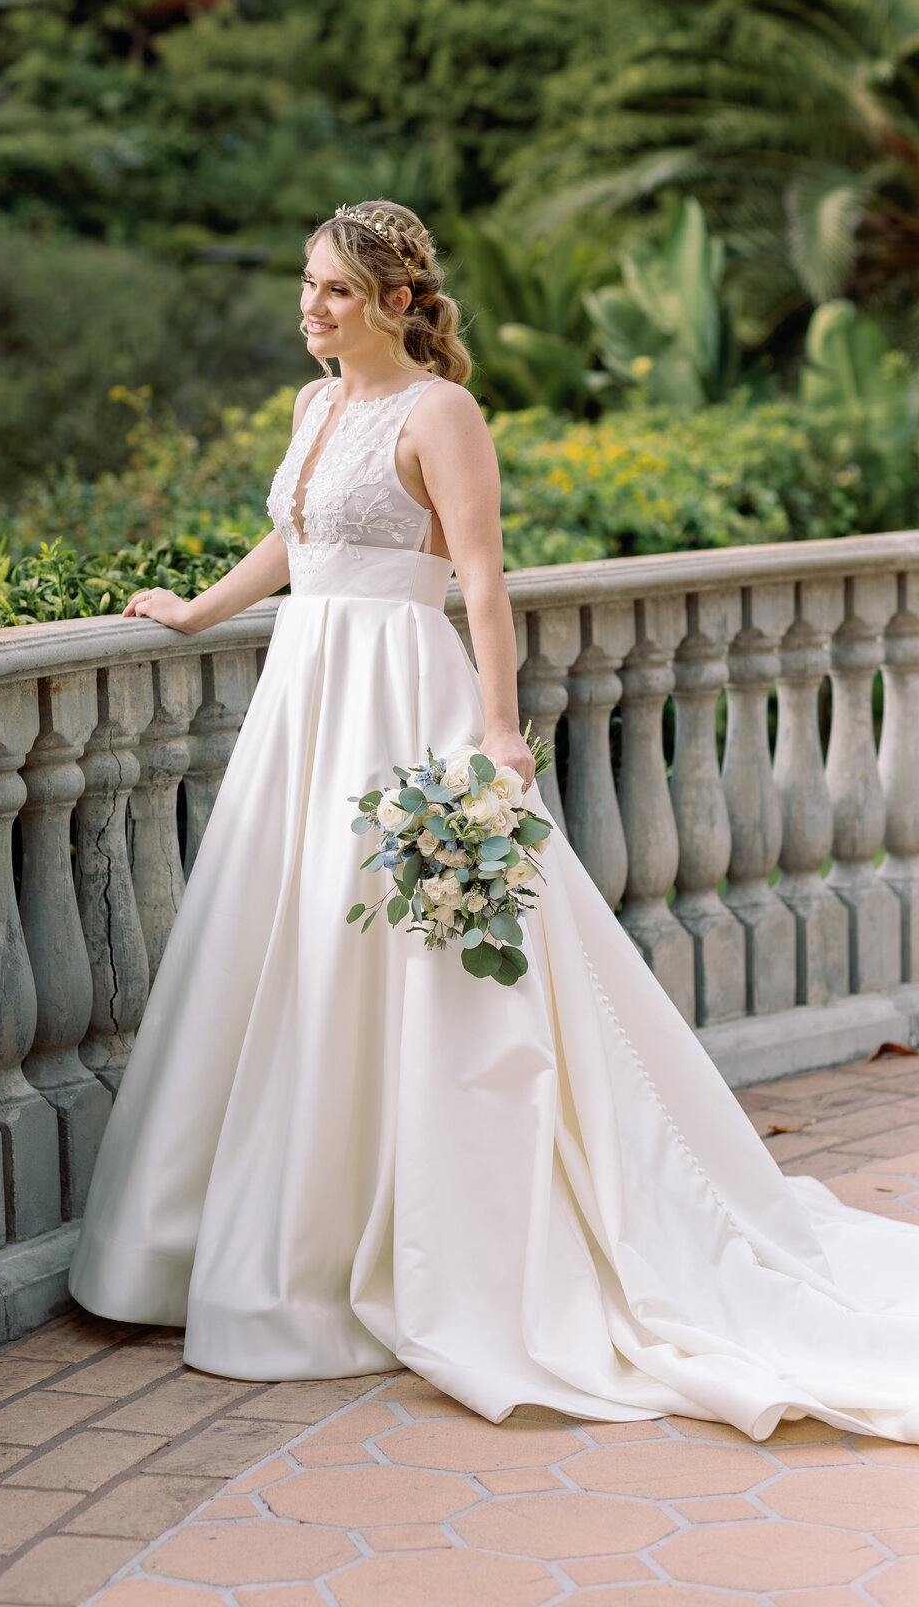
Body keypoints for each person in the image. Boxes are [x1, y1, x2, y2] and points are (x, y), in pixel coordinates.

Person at [69, 200, 919, 1441]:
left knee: (414, 969)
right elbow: (296, 539)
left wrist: (501, 733)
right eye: (308, 286)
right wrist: (198, 610)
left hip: (400, 703)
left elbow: (478, 576)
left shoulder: (442, 412)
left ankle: (395, 1256)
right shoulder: (316, 409)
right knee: (289, 947)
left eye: (338, 292)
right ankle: (237, 1241)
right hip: (303, 702)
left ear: (399, 303)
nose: (312, 308)